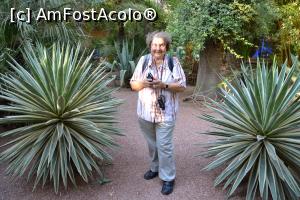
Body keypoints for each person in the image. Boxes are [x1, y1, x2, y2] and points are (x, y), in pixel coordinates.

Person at [130, 31, 186, 195]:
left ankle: (168, 177)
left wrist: (164, 85)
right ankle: (155, 168)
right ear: (150, 46)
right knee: (152, 144)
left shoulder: (173, 62)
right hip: (145, 114)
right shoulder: (143, 61)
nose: (158, 48)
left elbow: (182, 86)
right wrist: (144, 83)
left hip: (166, 114)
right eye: (155, 45)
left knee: (164, 146)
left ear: (166, 46)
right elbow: (133, 85)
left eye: (161, 45)